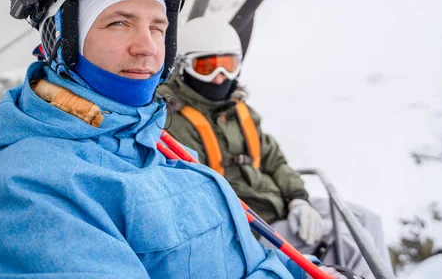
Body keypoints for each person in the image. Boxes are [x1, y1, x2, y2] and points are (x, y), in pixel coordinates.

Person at [0, 0, 347, 279]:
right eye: (119, 22)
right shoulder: (38, 191)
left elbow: (246, 255)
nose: (148, 48)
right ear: (60, 38)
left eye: (157, 27)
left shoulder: (153, 138)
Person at [158, 16, 392, 278]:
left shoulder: (239, 112)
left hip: (279, 203)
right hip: (255, 224)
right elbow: (203, 192)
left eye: (227, 66)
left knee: (367, 220)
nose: (218, 78)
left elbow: (275, 161)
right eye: (207, 67)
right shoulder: (175, 122)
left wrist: (298, 200)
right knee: (350, 244)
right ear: (182, 67)